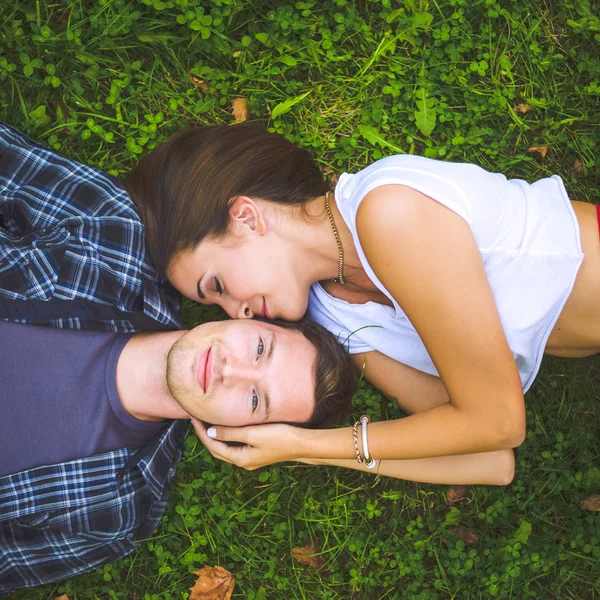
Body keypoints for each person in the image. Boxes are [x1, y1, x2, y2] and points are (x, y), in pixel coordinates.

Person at [125, 123, 600, 479]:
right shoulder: (333, 315)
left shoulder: (387, 211)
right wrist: (301, 446)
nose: (238, 313)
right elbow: (488, 458)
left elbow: (496, 424)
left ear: (246, 218)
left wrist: (314, 445)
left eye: (218, 286)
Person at [0, 316, 355, 594]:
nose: (228, 370)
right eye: (259, 348)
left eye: (254, 400)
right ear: (247, 318)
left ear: (247, 437)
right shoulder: (113, 245)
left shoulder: (115, 513)